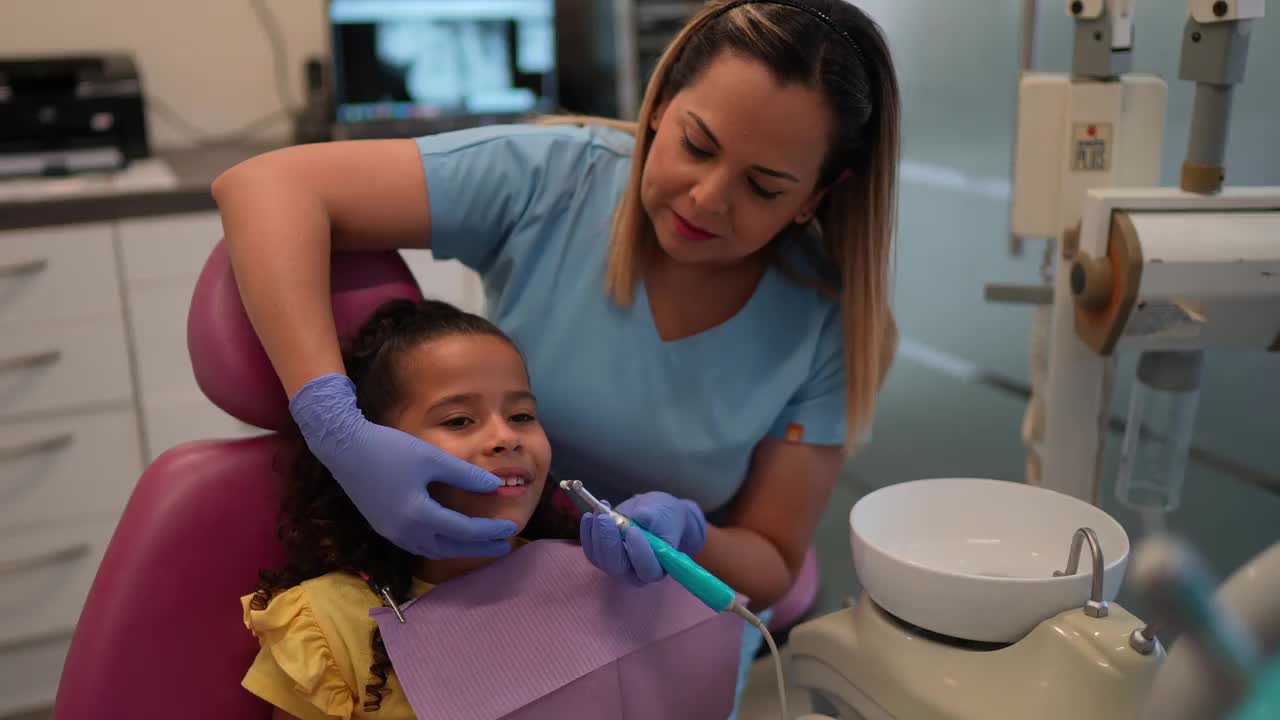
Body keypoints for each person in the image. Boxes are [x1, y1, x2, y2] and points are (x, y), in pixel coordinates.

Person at [215, 0, 900, 704]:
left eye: (763, 186)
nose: (707, 198)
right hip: (492, 593)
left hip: (654, 622)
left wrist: (690, 537)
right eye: (697, 145)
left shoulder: (827, 324)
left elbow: (772, 563)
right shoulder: (556, 182)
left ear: (817, 195)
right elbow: (264, 186)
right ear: (659, 105)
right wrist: (332, 419)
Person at [242, 298, 579, 720]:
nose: (505, 437)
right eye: (458, 420)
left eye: (522, 415)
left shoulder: (584, 579)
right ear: (376, 453)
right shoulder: (328, 629)